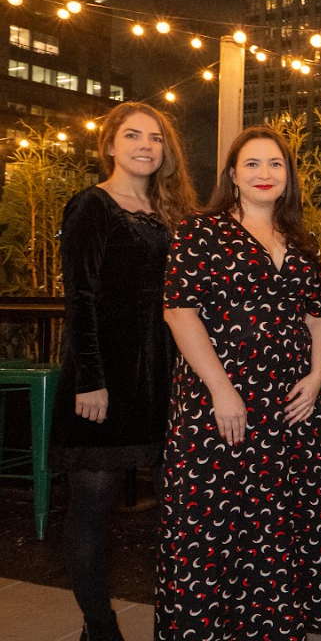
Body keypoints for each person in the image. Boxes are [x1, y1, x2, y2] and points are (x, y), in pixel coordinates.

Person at [157, 125, 321, 641]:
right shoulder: (200, 231)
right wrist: (221, 389)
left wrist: (318, 375)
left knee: (278, 525)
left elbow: (318, 318)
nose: (265, 173)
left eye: (275, 164)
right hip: (221, 405)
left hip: (288, 410)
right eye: (253, 164)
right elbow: (179, 313)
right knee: (215, 527)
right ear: (233, 176)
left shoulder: (300, 241)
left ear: (288, 177)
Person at [50, 103, 197, 641]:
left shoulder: (172, 213)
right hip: (104, 378)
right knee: (92, 505)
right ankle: (100, 625)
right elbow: (80, 297)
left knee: (177, 510)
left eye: (156, 138)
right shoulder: (91, 205)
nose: (145, 145)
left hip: (162, 377)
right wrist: (90, 378)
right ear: (109, 145)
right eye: (133, 135)